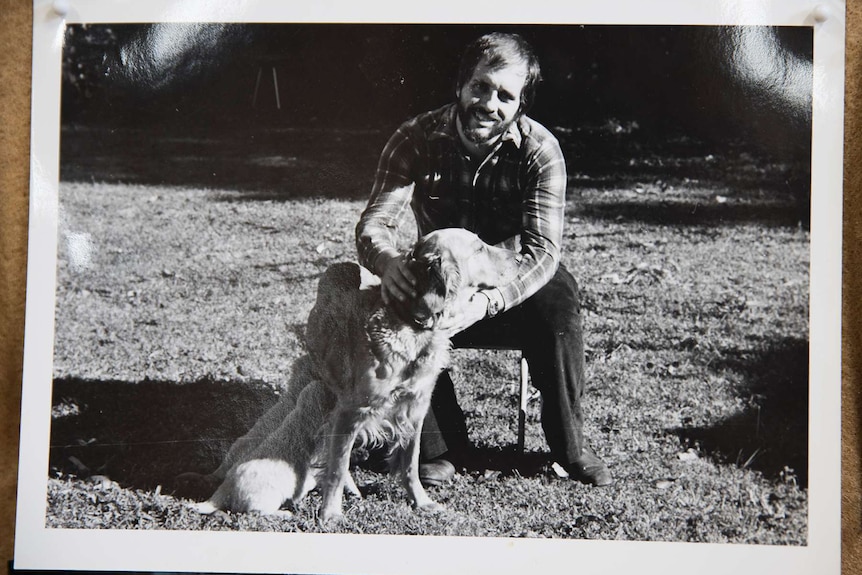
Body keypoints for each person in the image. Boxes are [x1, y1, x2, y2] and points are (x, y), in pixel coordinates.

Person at [355, 32, 612, 487]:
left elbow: (543, 253)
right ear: (461, 85)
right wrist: (389, 263)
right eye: (481, 87)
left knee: (558, 299)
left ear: (520, 106)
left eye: (505, 96)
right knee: (388, 299)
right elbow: (374, 224)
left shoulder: (540, 151)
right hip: (438, 279)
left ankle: (570, 446)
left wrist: (488, 302)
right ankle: (438, 446)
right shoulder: (414, 137)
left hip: (508, 281)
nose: (489, 104)